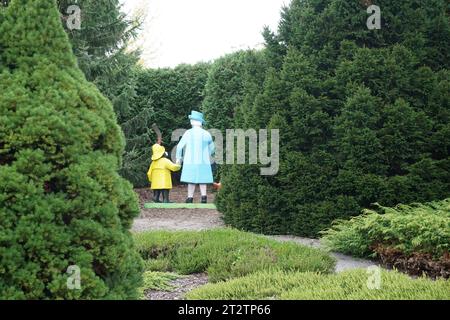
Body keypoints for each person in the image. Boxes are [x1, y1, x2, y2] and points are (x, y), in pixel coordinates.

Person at [176, 111, 215, 203]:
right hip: (203, 160)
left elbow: (179, 146)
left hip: (190, 160)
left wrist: (178, 158)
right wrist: (207, 155)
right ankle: (204, 198)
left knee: (191, 179)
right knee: (203, 179)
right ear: (201, 122)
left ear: (193, 122)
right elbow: (213, 148)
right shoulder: (207, 134)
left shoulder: (188, 133)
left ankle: (190, 198)